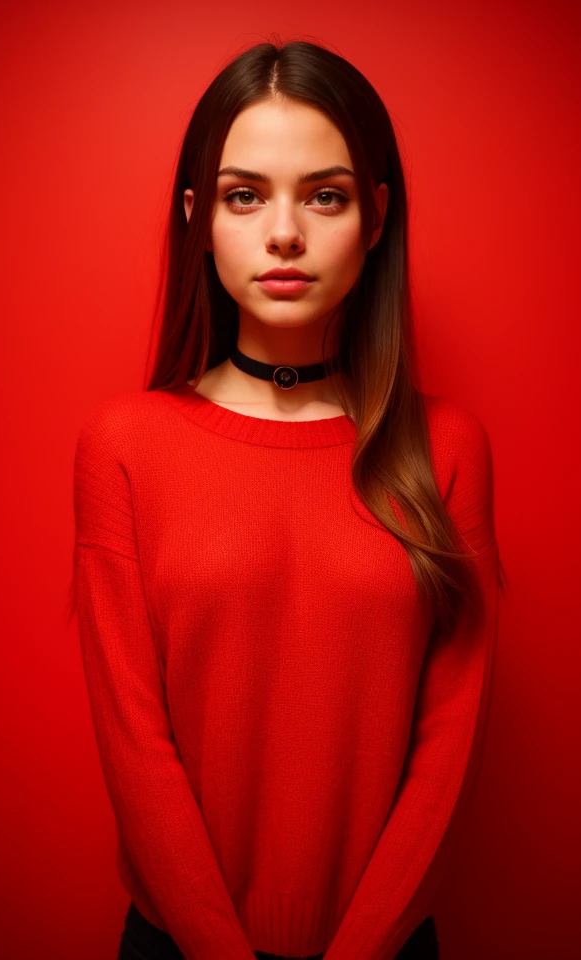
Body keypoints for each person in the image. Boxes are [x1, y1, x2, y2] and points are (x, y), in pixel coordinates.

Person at [71, 37, 505, 960]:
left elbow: (449, 750)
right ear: (198, 217)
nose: (283, 233)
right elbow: (135, 745)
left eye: (325, 195)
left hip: (386, 946)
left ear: (376, 216)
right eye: (243, 195)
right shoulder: (125, 445)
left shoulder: (449, 449)